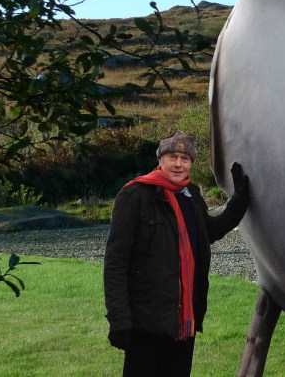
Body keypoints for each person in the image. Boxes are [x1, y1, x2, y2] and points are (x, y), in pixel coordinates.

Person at [104, 131, 250, 377]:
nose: (178, 164)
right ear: (160, 159)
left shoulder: (191, 195)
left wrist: (239, 200)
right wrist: (119, 320)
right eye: (172, 157)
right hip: (145, 323)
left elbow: (209, 231)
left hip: (182, 321)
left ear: (191, 163)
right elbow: (115, 263)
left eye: (185, 158)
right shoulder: (134, 196)